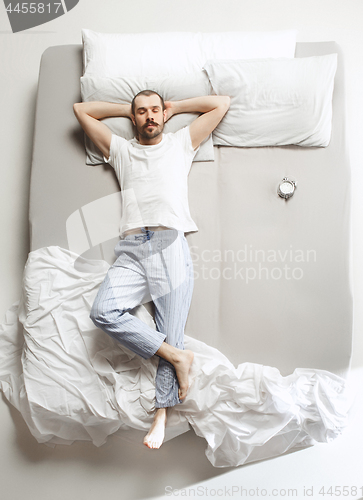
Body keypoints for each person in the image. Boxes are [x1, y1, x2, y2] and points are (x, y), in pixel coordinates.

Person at [73, 91, 230, 449]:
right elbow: (82, 110)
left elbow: (221, 104)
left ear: (163, 114)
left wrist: (177, 107)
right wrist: (126, 111)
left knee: (169, 327)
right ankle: (177, 357)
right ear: (134, 117)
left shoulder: (180, 142)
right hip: (131, 246)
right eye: (141, 112)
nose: (149, 117)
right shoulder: (122, 150)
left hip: (168, 241)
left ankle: (161, 412)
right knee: (103, 311)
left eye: (155, 110)